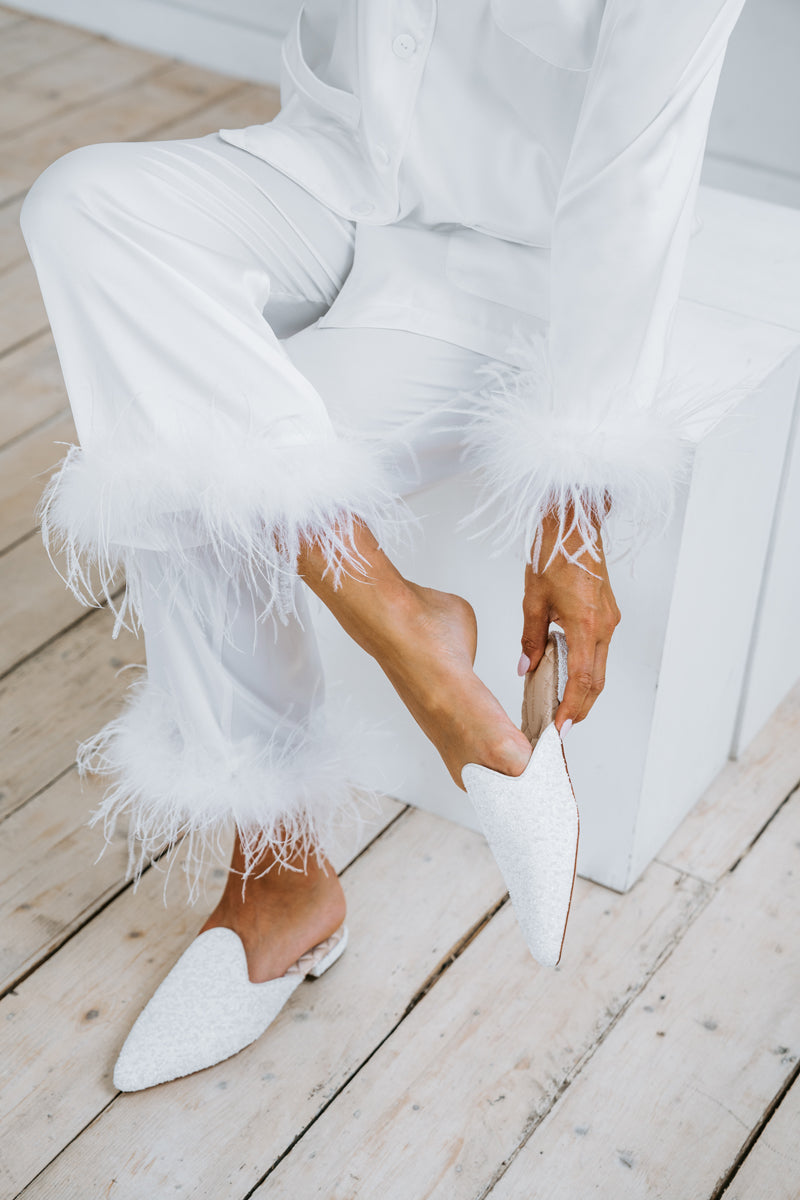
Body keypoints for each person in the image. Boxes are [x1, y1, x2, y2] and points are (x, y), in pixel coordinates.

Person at [20, 0, 746, 1090]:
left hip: (506, 271)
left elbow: (632, 179)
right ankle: (406, 628)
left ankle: (278, 882)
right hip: (328, 178)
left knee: (192, 457)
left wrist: (574, 501)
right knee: (81, 204)